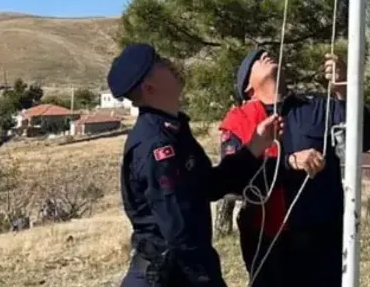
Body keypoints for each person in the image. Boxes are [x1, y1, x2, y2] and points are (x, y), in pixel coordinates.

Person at [108, 42, 282, 287]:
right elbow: (179, 233)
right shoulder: (156, 145)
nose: (169, 64)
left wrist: (254, 146)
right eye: (159, 63)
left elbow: (209, 185)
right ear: (149, 88)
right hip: (171, 276)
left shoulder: (174, 131)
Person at [219, 50, 370, 287]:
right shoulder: (238, 120)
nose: (267, 54)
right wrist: (290, 162)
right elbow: (235, 179)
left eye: (268, 53)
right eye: (257, 58)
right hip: (268, 243)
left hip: (323, 241)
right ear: (247, 86)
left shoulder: (317, 106)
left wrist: (344, 87)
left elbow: (362, 139)